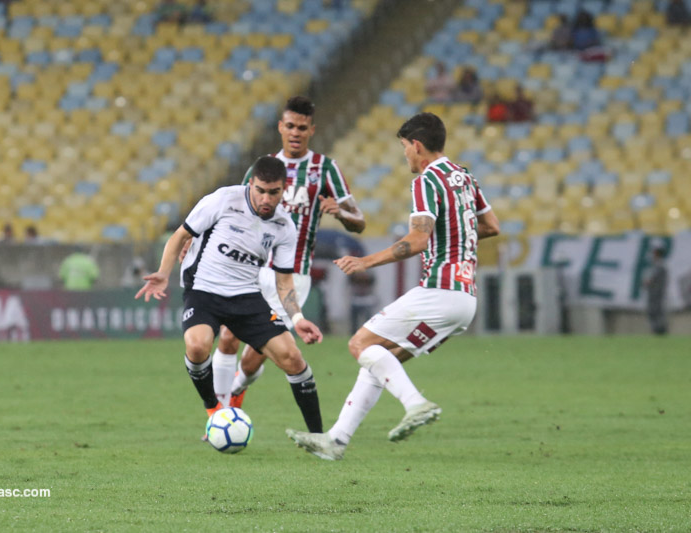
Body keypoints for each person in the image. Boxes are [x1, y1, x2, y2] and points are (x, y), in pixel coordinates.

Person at [287, 112, 500, 460]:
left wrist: (365, 261)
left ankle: (416, 404)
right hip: (465, 298)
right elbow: (490, 225)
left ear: (417, 145)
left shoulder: (426, 181)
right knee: (379, 360)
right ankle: (336, 440)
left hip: (440, 290)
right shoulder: (464, 177)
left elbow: (417, 239)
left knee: (360, 344)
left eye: (404, 148)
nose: (405, 156)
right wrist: (455, 236)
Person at [135, 156, 326, 435]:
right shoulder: (224, 200)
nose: (266, 199)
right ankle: (214, 409)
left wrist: (297, 317)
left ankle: (320, 438)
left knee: (292, 358)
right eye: (260, 190)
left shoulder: (284, 226)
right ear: (251, 184)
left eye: (273, 192)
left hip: (247, 297)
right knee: (198, 346)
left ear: (283, 190)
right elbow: (180, 235)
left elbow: (284, 280)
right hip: (204, 291)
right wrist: (163, 272)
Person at [210, 96, 365, 409]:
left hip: (293, 277)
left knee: (255, 359)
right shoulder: (263, 167)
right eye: (290, 126)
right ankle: (219, 412)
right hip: (252, 270)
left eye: (302, 128)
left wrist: (342, 214)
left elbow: (359, 222)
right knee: (227, 336)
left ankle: (234, 393)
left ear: (311, 130)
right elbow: (234, 209)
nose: (296, 132)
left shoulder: (325, 169)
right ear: (281, 127)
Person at [643, 247, 668, 335]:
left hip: (657, 294)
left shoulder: (660, 266)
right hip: (654, 294)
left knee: (656, 312)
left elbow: (653, 279)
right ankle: (658, 331)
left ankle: (660, 331)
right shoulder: (656, 265)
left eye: (654, 253)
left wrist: (648, 282)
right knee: (653, 312)